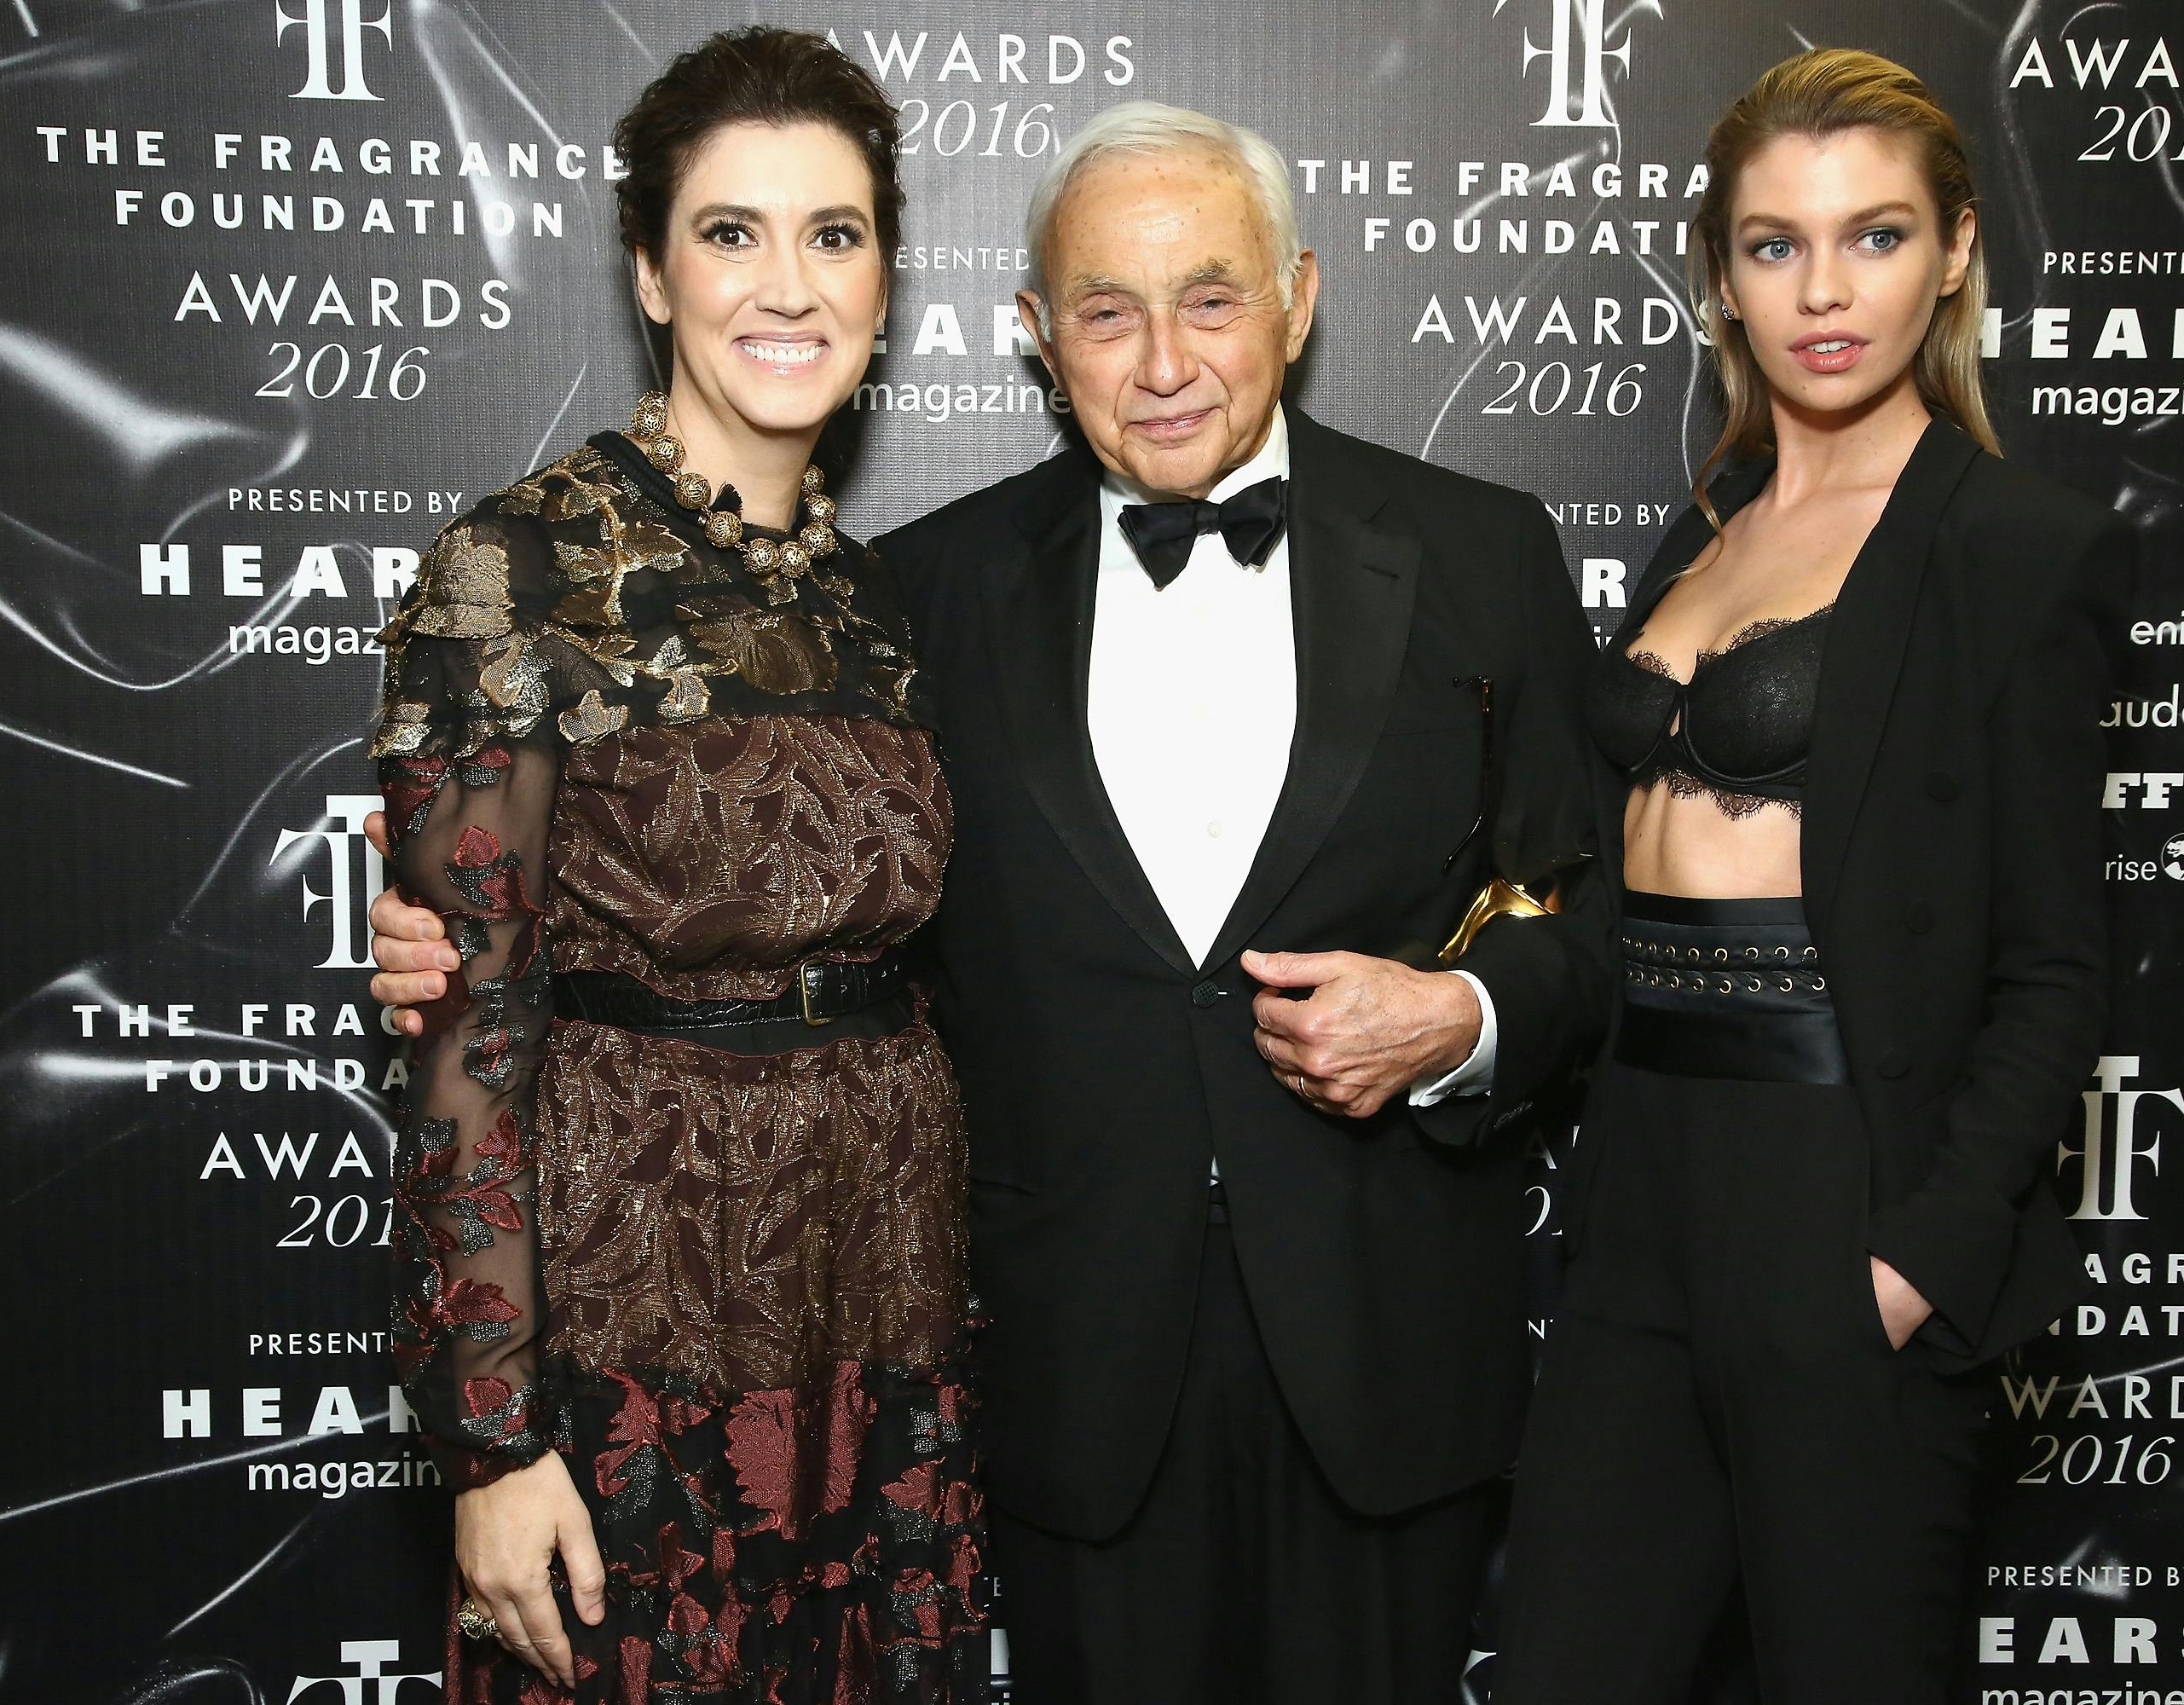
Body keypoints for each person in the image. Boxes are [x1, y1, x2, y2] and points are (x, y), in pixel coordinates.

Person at [377, 99, 1611, 1705]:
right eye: (1107, 309)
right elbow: (520, 972)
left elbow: (1594, 929)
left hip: (1348, 1358)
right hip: (1033, 1368)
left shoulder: (1482, 553)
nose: (1163, 358)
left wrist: (1466, 1016)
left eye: (1213, 298)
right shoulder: (932, 586)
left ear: (1299, 299)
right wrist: (457, 956)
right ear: (1033, 333)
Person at [1491, 49, 2131, 1703]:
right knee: (1567, 1664)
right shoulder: (1701, 532)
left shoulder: (2014, 547)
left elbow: (2059, 962)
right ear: (1718, 272)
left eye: (1876, 236)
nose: (1825, 290)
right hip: (1642, 1192)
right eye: (1775, 245)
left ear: (1960, 249)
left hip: (1840, 1188)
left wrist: (1913, 1257)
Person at [366, 30, 984, 1704]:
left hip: (887, 1313)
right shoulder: (517, 567)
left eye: (835, 233)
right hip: (638, 1333)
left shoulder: (880, 603)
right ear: (649, 268)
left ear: (886, 275)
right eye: (731, 231)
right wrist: (490, 1445)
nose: (787, 284)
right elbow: (460, 1041)